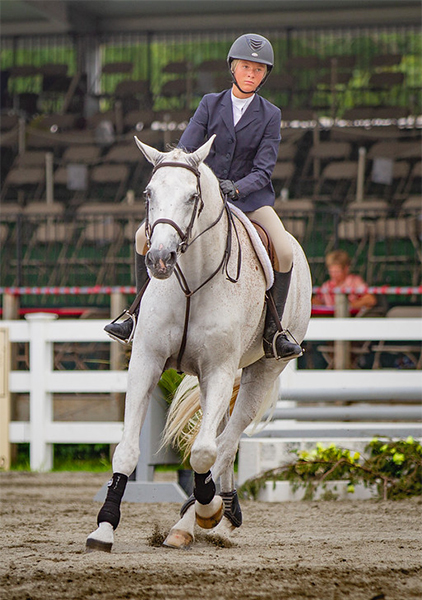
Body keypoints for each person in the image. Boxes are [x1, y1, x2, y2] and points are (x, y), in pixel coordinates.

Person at [105, 33, 302, 360]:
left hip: (249, 199)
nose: (251, 74)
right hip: (203, 200)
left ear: (265, 75)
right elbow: (185, 151)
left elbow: (264, 169)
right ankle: (135, 314)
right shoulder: (210, 103)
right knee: (143, 236)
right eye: (245, 67)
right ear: (233, 68)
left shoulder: (271, 115)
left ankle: (274, 331)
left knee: (283, 249)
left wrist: (236, 188)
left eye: (258, 69)